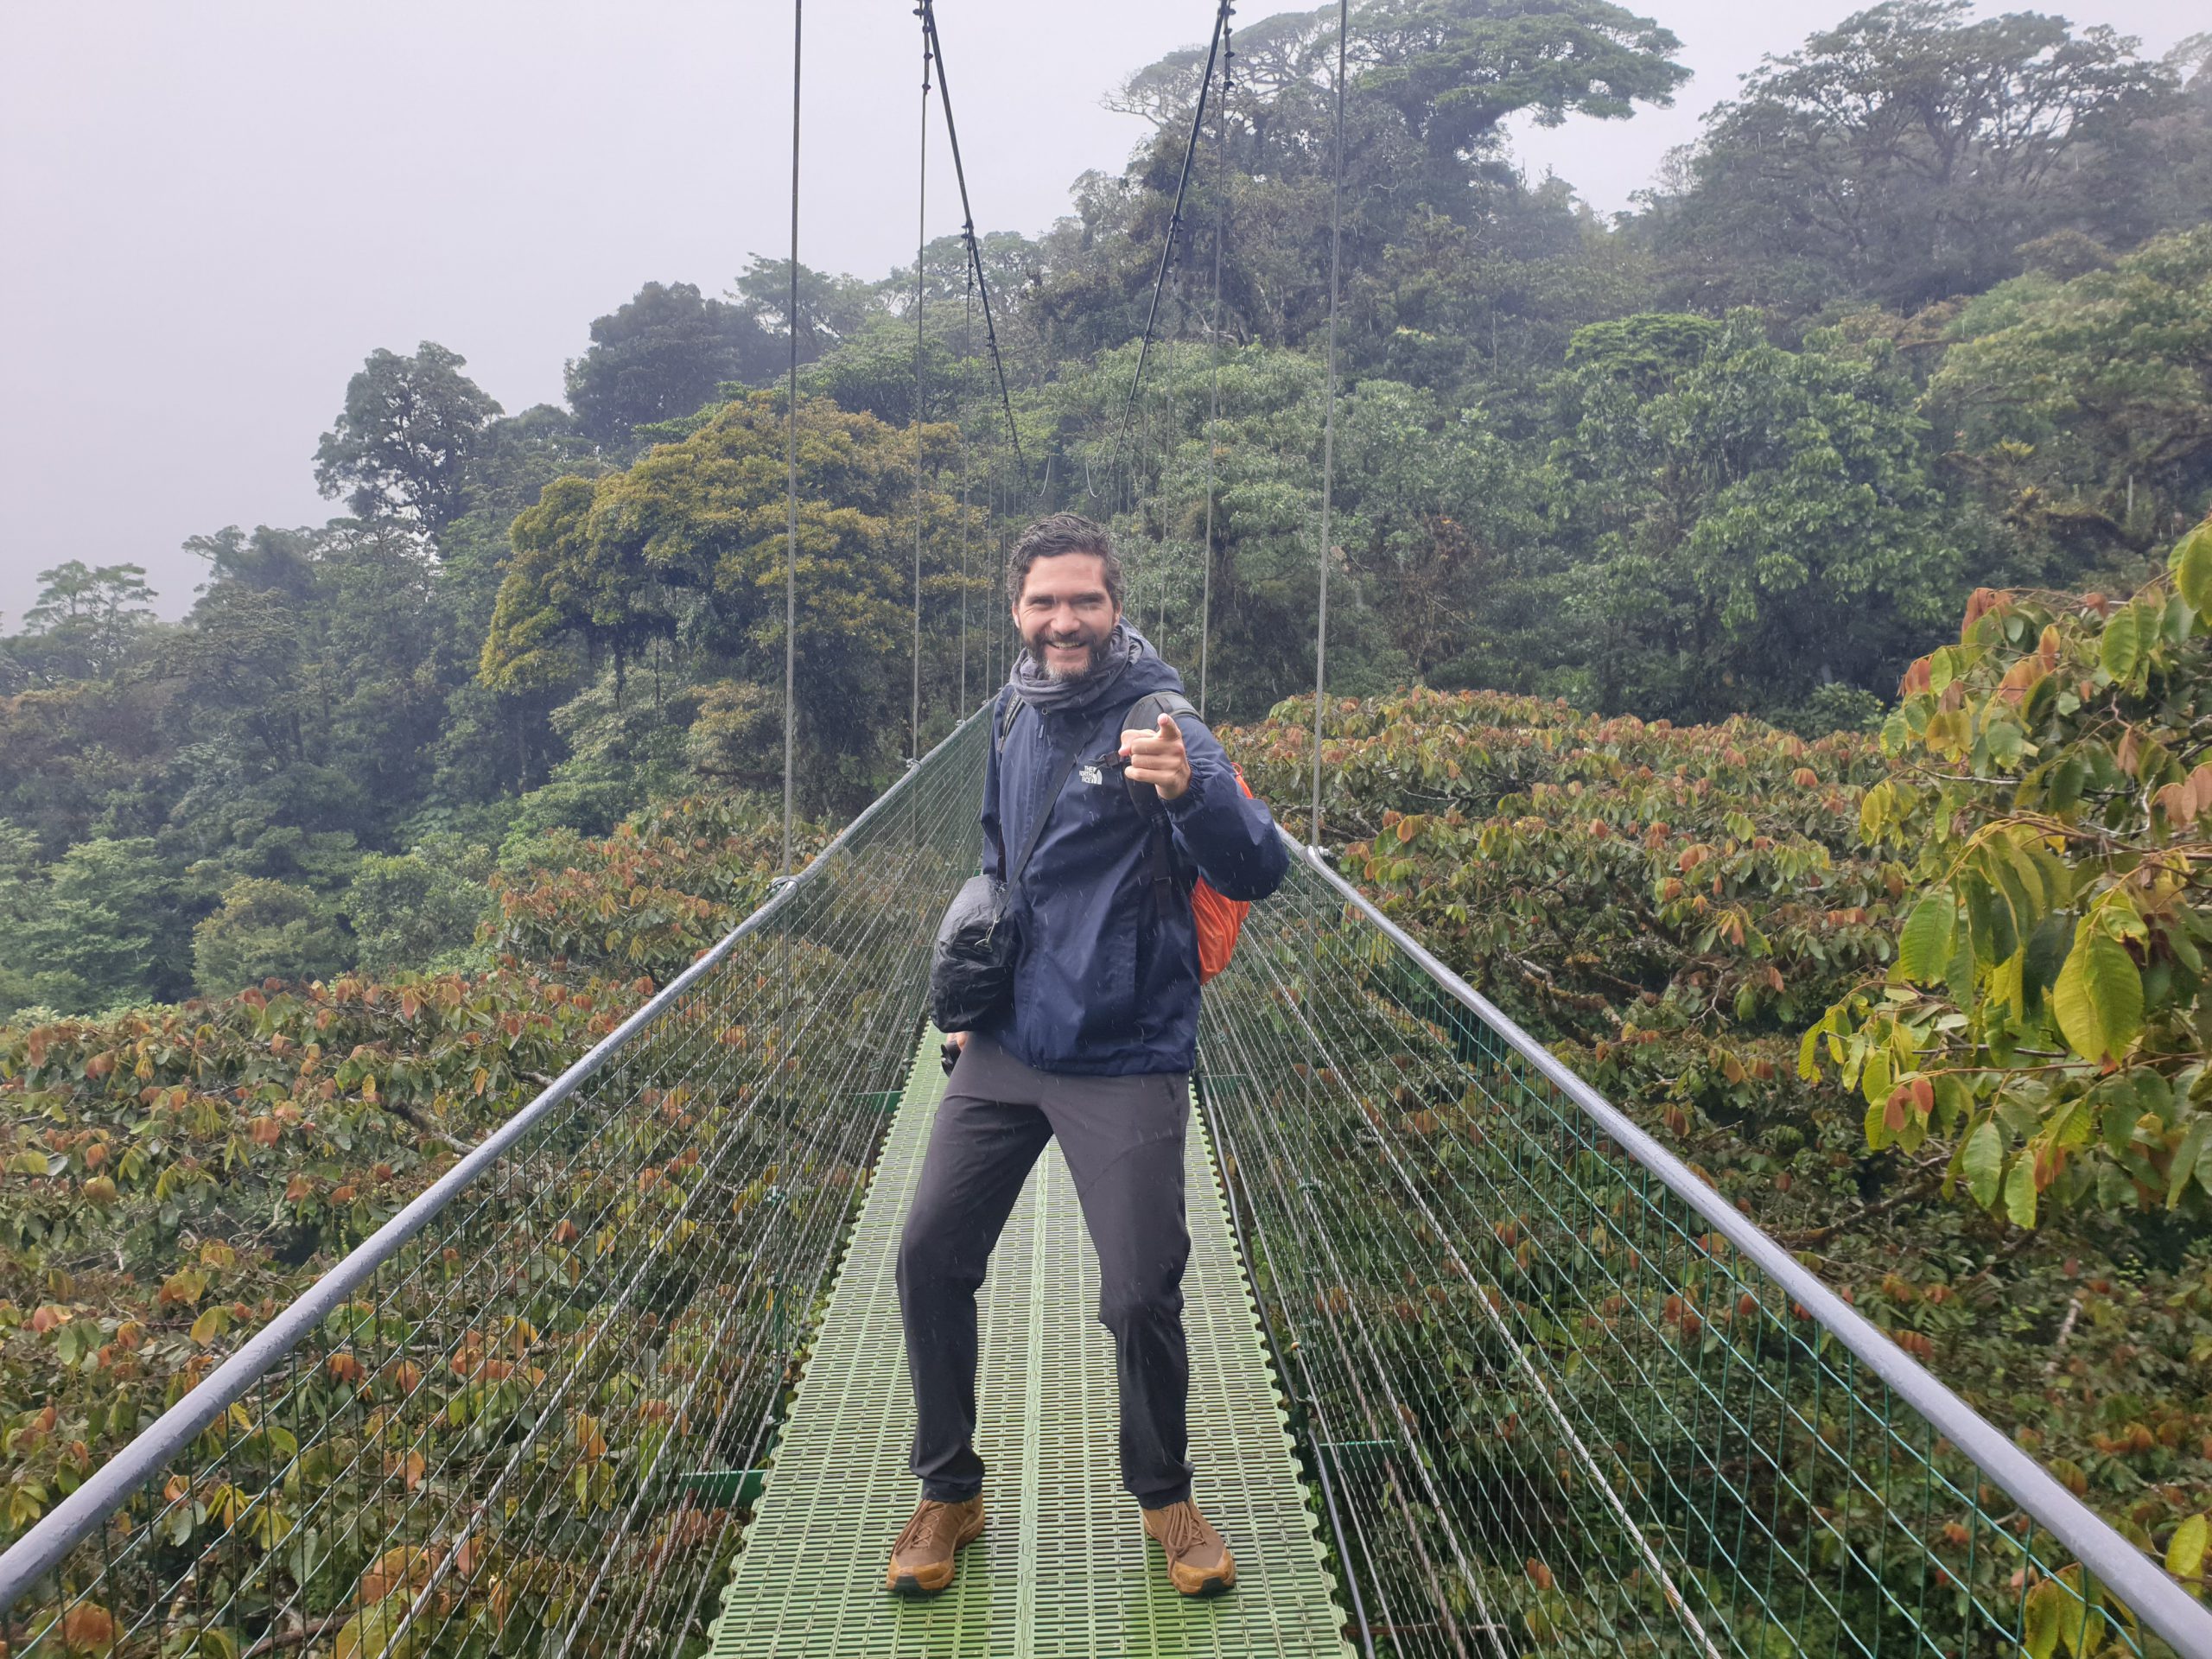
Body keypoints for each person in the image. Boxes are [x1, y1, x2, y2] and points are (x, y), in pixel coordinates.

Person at [887, 513, 1288, 1599]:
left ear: (1115, 608)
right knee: (927, 1255)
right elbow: (995, 850)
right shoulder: (1014, 705)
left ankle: (1164, 1496)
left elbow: (1258, 867)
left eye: (1084, 601)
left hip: (1124, 1045)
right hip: (1008, 1037)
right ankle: (949, 1489)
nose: (1063, 621)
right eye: (1044, 602)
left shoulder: (1164, 721)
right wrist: (970, 999)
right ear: (1016, 611)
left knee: (1139, 1292)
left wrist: (1190, 790)